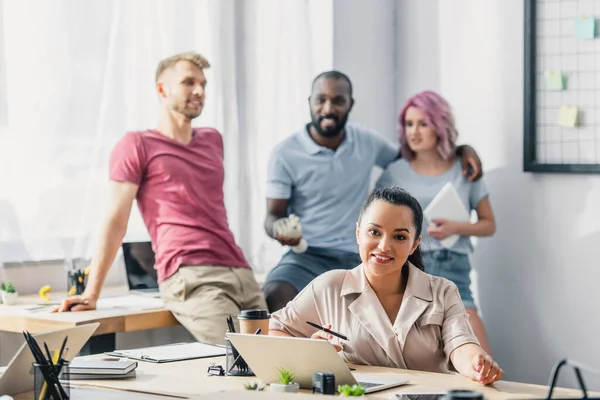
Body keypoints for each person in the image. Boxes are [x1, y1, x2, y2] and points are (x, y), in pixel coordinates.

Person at [52, 51, 266, 345]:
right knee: (241, 363)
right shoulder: (137, 145)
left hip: (241, 271)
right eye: (189, 82)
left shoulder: (212, 139)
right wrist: (91, 292)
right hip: (192, 275)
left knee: (274, 366)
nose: (199, 91)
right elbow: (116, 219)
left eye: (203, 83)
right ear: (162, 89)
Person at [263, 70, 483, 312]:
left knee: (395, 308)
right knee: (274, 294)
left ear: (350, 104)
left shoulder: (366, 142)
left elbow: (413, 153)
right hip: (308, 254)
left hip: (358, 253)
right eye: (321, 99)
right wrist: (280, 230)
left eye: (338, 101)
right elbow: (273, 216)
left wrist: (461, 149)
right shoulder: (285, 154)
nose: (328, 108)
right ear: (310, 102)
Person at [269, 187, 503, 385]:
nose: (384, 246)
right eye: (374, 232)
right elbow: (274, 331)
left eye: (399, 237)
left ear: (414, 244)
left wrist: (477, 363)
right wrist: (308, 351)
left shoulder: (443, 291)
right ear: (358, 233)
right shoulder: (329, 286)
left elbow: (460, 344)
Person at [375, 91, 496, 354]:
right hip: (409, 269)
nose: (414, 132)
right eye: (409, 124)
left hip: (453, 268)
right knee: (421, 354)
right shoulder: (394, 172)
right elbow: (378, 222)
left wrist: (456, 228)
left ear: (440, 126)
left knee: (479, 353)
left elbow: (488, 224)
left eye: (423, 123)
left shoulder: (465, 169)